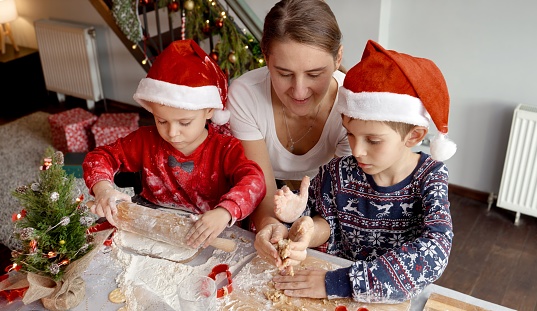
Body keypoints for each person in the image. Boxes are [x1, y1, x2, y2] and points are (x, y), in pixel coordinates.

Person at [268, 40, 457, 303]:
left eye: (373, 140)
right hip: (332, 289)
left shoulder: (430, 178)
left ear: (414, 136)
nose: (356, 151)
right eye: (351, 134)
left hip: (381, 297)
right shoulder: (339, 172)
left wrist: (340, 283)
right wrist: (301, 221)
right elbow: (326, 223)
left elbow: (435, 250)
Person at [82, 39, 266, 250]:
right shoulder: (145, 140)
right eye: (161, 120)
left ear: (209, 111)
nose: (171, 132)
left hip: (208, 229)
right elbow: (99, 157)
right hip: (153, 222)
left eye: (184, 122)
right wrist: (103, 189)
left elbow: (255, 181)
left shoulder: (225, 148)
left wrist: (225, 212)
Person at [226, 0, 351, 242]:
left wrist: (304, 235)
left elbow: (335, 202)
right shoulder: (246, 94)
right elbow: (260, 185)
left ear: (338, 59)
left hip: (325, 205)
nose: (299, 91)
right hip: (265, 192)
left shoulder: (352, 106)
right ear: (265, 57)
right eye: (284, 73)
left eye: (314, 74)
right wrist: (271, 227)